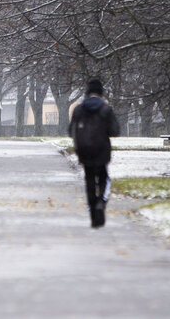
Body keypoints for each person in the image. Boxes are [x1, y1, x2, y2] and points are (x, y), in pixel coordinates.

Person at [68, 77, 120, 228]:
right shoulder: (105, 109)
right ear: (101, 92)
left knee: (89, 178)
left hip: (84, 150)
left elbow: (70, 130)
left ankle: (93, 210)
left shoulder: (79, 109)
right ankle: (101, 203)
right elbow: (114, 131)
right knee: (103, 177)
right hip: (102, 149)